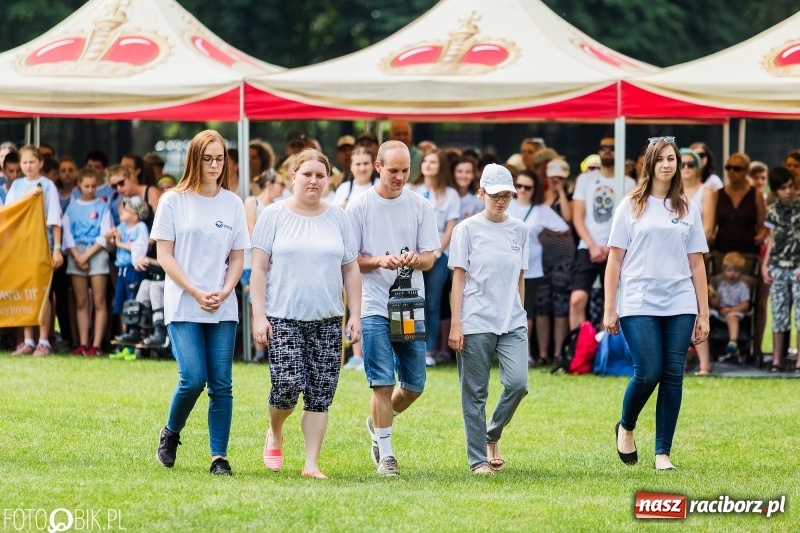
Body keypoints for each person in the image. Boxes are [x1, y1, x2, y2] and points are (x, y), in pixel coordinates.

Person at [250, 149, 362, 479]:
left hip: (328, 318)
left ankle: (311, 464)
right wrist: (259, 316)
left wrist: (355, 314)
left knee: (320, 394)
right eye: (307, 174)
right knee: (286, 386)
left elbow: (351, 268)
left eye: (320, 175)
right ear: (293, 177)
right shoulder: (274, 215)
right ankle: (275, 431)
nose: (313, 181)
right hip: (283, 316)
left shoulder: (339, 217)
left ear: (328, 180)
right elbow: (259, 269)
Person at [604, 136, 710, 471]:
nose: (667, 164)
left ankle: (662, 453)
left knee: (673, 376)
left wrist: (704, 313)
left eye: (672, 159)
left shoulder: (687, 207)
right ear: (649, 164)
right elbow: (614, 261)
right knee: (648, 372)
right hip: (638, 300)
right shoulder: (630, 205)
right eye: (660, 159)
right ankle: (626, 425)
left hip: (680, 301)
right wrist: (610, 307)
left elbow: (697, 264)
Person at [151, 130, 249, 476]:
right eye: (208, 158)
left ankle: (219, 457)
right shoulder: (173, 201)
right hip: (184, 301)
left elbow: (237, 257)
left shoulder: (233, 203)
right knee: (193, 378)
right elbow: (165, 255)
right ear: (194, 159)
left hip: (222, 303)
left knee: (221, 383)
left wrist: (225, 290)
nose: (214, 165)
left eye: (220, 159)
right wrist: (194, 291)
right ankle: (171, 431)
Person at [346, 140, 440, 476]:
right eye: (393, 170)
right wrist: (379, 261)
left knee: (414, 385)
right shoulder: (359, 206)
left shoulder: (420, 206)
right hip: (374, 305)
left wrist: (417, 259)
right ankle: (386, 454)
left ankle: (377, 423)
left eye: (405, 170)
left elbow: (430, 257)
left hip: (409, 305)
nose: (400, 177)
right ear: (378, 167)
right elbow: (350, 261)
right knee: (382, 383)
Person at [448, 163, 530, 474]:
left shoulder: (520, 229)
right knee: (475, 393)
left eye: (506, 195)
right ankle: (477, 460)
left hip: (512, 320)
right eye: (495, 195)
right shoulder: (466, 229)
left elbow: (520, 277)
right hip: (476, 319)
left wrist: (521, 312)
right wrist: (456, 323)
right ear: (481, 193)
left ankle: (491, 434)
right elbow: (459, 278)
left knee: (518, 384)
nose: (501, 201)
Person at [568, 135, 636, 329]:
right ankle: (579, 345)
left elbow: (630, 221)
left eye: (612, 148)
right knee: (577, 300)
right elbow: (577, 217)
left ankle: (604, 345)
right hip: (588, 246)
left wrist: (609, 247)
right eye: (603, 147)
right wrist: (592, 246)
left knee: (612, 302)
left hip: (616, 247)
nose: (607, 151)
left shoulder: (629, 183)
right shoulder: (585, 179)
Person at [506, 169, 569, 365]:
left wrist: (545, 233)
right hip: (505, 265)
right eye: (519, 186)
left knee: (526, 310)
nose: (522, 190)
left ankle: (525, 353)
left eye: (527, 187)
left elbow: (564, 227)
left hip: (530, 267)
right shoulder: (506, 203)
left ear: (535, 189)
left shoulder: (540, 209)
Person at [7, 145, 63, 356]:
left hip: (42, 245)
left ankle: (44, 341)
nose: (28, 166)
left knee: (42, 293)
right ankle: (28, 340)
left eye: (32, 162)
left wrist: (57, 249)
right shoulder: (17, 185)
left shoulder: (48, 185)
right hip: (21, 246)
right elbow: (10, 212)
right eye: (24, 162)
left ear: (40, 163)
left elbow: (55, 219)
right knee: (26, 291)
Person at [408, 150, 460, 366]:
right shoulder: (411, 189)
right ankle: (410, 347)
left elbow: (451, 227)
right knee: (412, 301)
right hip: (412, 255)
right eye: (426, 161)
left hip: (439, 255)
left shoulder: (450, 194)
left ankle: (428, 350)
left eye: (433, 162)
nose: (428, 165)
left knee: (432, 302)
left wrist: (437, 253)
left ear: (441, 167)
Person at [62, 169, 113, 356]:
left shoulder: (102, 206)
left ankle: (96, 344)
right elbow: (67, 234)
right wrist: (77, 255)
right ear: (79, 186)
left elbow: (105, 234)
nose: (90, 189)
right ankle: (83, 343)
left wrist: (86, 256)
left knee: (99, 301)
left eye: (93, 186)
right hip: (76, 252)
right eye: (86, 186)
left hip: (96, 252)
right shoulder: (71, 208)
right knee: (81, 301)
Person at [536, 159, 576, 366]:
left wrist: (561, 192)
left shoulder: (569, 198)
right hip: (541, 257)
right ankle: (543, 353)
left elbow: (568, 219)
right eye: (553, 177)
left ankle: (559, 353)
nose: (555, 181)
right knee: (542, 305)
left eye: (560, 178)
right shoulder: (540, 198)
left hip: (563, 258)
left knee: (560, 305)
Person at [761, 166, 800, 372]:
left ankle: (799, 360)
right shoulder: (773, 210)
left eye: (791, 186)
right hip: (778, 264)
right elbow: (772, 238)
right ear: (776, 190)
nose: (789, 191)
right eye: (784, 188)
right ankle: (776, 359)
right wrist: (765, 264)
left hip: (797, 264)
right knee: (778, 313)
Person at [711, 152, 766, 274]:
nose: (731, 171)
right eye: (728, 167)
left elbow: (762, 225)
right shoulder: (717, 194)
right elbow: (711, 225)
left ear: (746, 171)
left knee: (748, 283)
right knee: (719, 283)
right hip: (721, 249)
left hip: (747, 250)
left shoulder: (756, 195)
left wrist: (761, 235)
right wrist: (710, 237)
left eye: (737, 168)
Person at [106, 197, 150, 342]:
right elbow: (111, 246)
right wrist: (110, 239)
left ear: (135, 216)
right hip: (122, 271)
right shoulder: (122, 227)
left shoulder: (141, 227)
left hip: (134, 270)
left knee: (134, 304)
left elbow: (140, 247)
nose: (122, 211)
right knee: (121, 304)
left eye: (126, 209)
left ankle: (137, 337)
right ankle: (125, 338)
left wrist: (119, 243)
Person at [709, 252, 750, 359]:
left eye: (736, 271)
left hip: (736, 311)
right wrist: (711, 294)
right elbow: (717, 303)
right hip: (721, 312)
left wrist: (732, 310)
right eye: (729, 270)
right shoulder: (722, 285)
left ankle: (733, 341)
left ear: (741, 273)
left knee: (732, 317)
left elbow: (745, 305)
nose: (732, 274)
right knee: (706, 314)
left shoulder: (742, 287)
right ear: (723, 271)